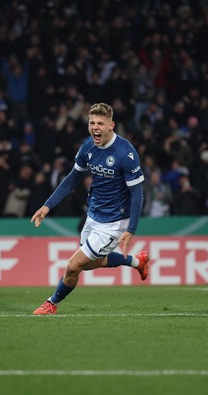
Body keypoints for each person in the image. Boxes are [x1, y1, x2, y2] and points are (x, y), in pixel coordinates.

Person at [30, 102, 148, 315]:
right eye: (92, 122)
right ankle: (136, 261)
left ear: (111, 125)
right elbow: (72, 179)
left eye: (100, 123)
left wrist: (131, 229)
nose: (95, 127)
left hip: (114, 222)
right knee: (91, 263)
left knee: (74, 265)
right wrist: (47, 206)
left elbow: (137, 193)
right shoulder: (88, 146)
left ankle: (52, 303)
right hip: (93, 215)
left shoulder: (125, 152)